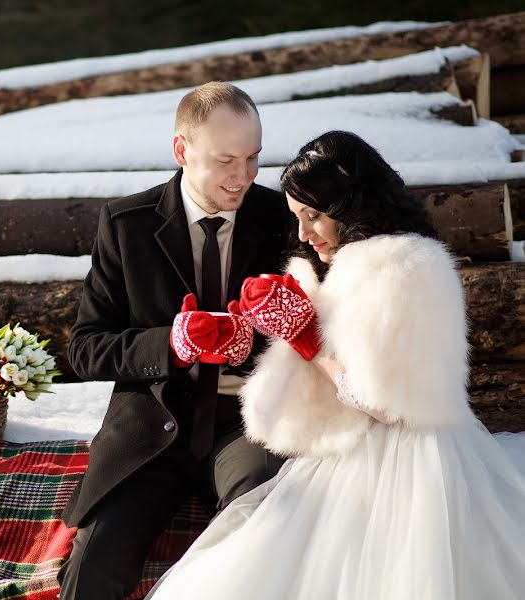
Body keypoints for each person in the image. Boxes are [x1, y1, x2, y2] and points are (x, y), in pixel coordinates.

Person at [147, 130, 525, 599]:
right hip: (345, 448)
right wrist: (245, 333)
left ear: (352, 205)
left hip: (408, 464)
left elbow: (388, 405)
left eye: (313, 216)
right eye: (296, 217)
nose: (303, 234)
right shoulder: (342, 264)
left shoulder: (405, 270)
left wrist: (306, 337)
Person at [57, 81, 292, 599]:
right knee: (92, 566)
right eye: (226, 159)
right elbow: (86, 347)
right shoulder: (126, 224)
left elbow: (308, 331)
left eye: (254, 158)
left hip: (246, 422)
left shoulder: (281, 219)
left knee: (262, 536)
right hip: (151, 424)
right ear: (181, 150)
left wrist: (255, 341)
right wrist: (173, 345)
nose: (243, 177)